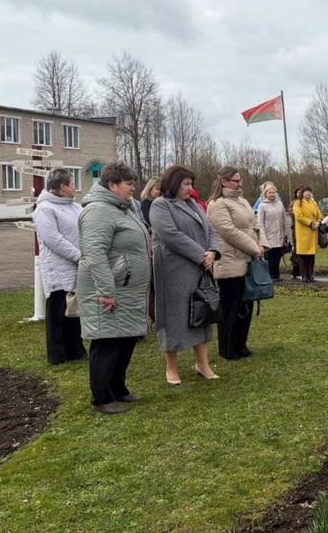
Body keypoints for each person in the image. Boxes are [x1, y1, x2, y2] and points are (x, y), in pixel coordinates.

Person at [77, 162, 151, 414]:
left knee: (125, 339)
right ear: (112, 185)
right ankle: (101, 398)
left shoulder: (125, 208)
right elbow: (94, 254)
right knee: (107, 342)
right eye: (128, 184)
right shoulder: (98, 211)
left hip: (128, 289)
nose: (133, 188)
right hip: (110, 290)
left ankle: (118, 389)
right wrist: (107, 291)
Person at [150, 165, 221, 384]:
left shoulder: (193, 205)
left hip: (199, 269)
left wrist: (212, 252)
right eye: (186, 184)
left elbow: (211, 230)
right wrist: (201, 254)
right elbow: (170, 235)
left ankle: (203, 364)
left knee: (201, 312)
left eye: (191, 184)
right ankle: (171, 368)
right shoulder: (160, 205)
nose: (190, 189)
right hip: (173, 271)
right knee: (174, 318)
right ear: (173, 184)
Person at [207, 166, 264, 360]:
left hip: (247, 260)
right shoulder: (217, 204)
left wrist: (261, 243)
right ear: (224, 182)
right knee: (230, 307)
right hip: (230, 262)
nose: (240, 184)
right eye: (236, 181)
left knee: (245, 305)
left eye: (240, 180)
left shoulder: (242, 201)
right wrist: (253, 248)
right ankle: (228, 347)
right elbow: (228, 231)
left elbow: (254, 224)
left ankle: (241, 343)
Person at [33, 168, 88, 365]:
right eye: (73, 183)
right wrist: (77, 255)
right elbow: (52, 238)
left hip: (76, 266)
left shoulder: (75, 206)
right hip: (57, 268)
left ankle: (76, 350)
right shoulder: (45, 209)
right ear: (63, 186)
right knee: (57, 311)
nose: (75, 187)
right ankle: (58, 355)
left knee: (73, 310)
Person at [258, 182, 288, 281]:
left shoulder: (279, 204)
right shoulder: (262, 205)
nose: (272, 194)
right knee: (269, 258)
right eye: (270, 192)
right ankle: (270, 276)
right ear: (266, 194)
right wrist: (263, 237)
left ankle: (276, 275)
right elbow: (260, 222)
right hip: (268, 236)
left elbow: (284, 218)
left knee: (277, 257)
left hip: (279, 235)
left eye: (273, 192)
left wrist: (285, 233)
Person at [293, 186, 323, 282]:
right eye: (306, 191)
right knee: (302, 255)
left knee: (311, 255)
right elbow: (298, 216)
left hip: (313, 232)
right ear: (302, 193)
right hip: (303, 232)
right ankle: (304, 275)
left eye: (309, 192)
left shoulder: (313, 203)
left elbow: (319, 214)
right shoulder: (298, 203)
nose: (308, 193)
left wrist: (318, 222)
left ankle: (311, 274)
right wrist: (310, 223)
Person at [288, 186, 304, 279]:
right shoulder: (293, 203)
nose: (300, 194)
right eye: (298, 192)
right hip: (296, 229)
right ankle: (295, 270)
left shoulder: (309, 202)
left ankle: (304, 270)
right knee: (297, 250)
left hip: (307, 230)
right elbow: (293, 214)